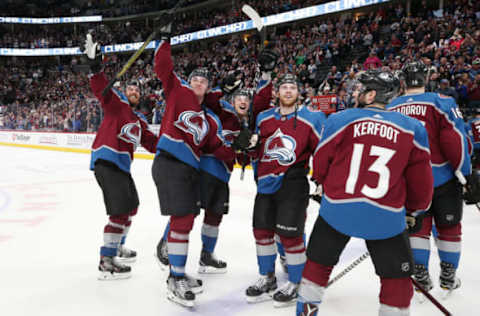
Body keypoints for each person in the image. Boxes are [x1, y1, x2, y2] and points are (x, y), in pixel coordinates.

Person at [297, 70, 434, 316]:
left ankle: (306, 311)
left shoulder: (341, 119)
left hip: (338, 210)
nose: (355, 92)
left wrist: (322, 183)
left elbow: (320, 162)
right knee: (397, 279)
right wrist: (415, 211)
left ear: (371, 95)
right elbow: (421, 181)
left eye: (361, 89)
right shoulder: (412, 128)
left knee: (316, 266)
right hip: (387, 217)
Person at [155, 49, 277, 275]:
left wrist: (245, 149)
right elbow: (207, 98)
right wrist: (223, 86)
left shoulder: (248, 124)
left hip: (223, 176)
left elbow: (242, 154)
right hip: (204, 170)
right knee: (187, 211)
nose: (243, 101)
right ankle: (166, 242)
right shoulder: (221, 111)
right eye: (238, 97)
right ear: (232, 99)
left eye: (246, 98)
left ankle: (206, 256)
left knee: (215, 216)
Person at [151, 25, 236, 307]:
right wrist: (164, 39)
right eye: (195, 78)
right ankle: (174, 277)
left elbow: (218, 148)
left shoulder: (210, 119)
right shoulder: (178, 91)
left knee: (186, 220)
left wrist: (241, 147)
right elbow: (163, 66)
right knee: (181, 220)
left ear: (209, 88)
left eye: (204, 80)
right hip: (171, 163)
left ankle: (178, 272)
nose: (199, 82)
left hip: (190, 169)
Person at [387, 61, 472, 296]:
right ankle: (448, 276)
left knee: (417, 229)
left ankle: (421, 276)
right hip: (442, 176)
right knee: (449, 227)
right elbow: (454, 141)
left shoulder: (391, 107)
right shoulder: (441, 102)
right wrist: (465, 173)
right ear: (425, 78)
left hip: (409, 182)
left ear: (403, 81)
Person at [244, 73, 326, 308]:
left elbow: (321, 152)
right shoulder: (264, 118)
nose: (288, 91)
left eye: (292, 87)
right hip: (266, 184)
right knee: (261, 232)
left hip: (294, 180)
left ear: (298, 92)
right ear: (276, 93)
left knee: (290, 235)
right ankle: (267, 277)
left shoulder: (312, 118)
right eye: (284, 87)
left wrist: (321, 181)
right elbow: (257, 151)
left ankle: (297, 282)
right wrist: (249, 150)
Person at [82, 34, 159, 280]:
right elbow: (100, 90)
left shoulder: (141, 121)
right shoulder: (117, 103)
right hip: (107, 162)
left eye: (137, 89)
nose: (134, 90)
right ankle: (107, 260)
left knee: (132, 208)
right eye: (131, 87)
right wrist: (95, 68)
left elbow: (155, 144)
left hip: (121, 168)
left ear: (142, 95)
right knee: (119, 213)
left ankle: (118, 245)